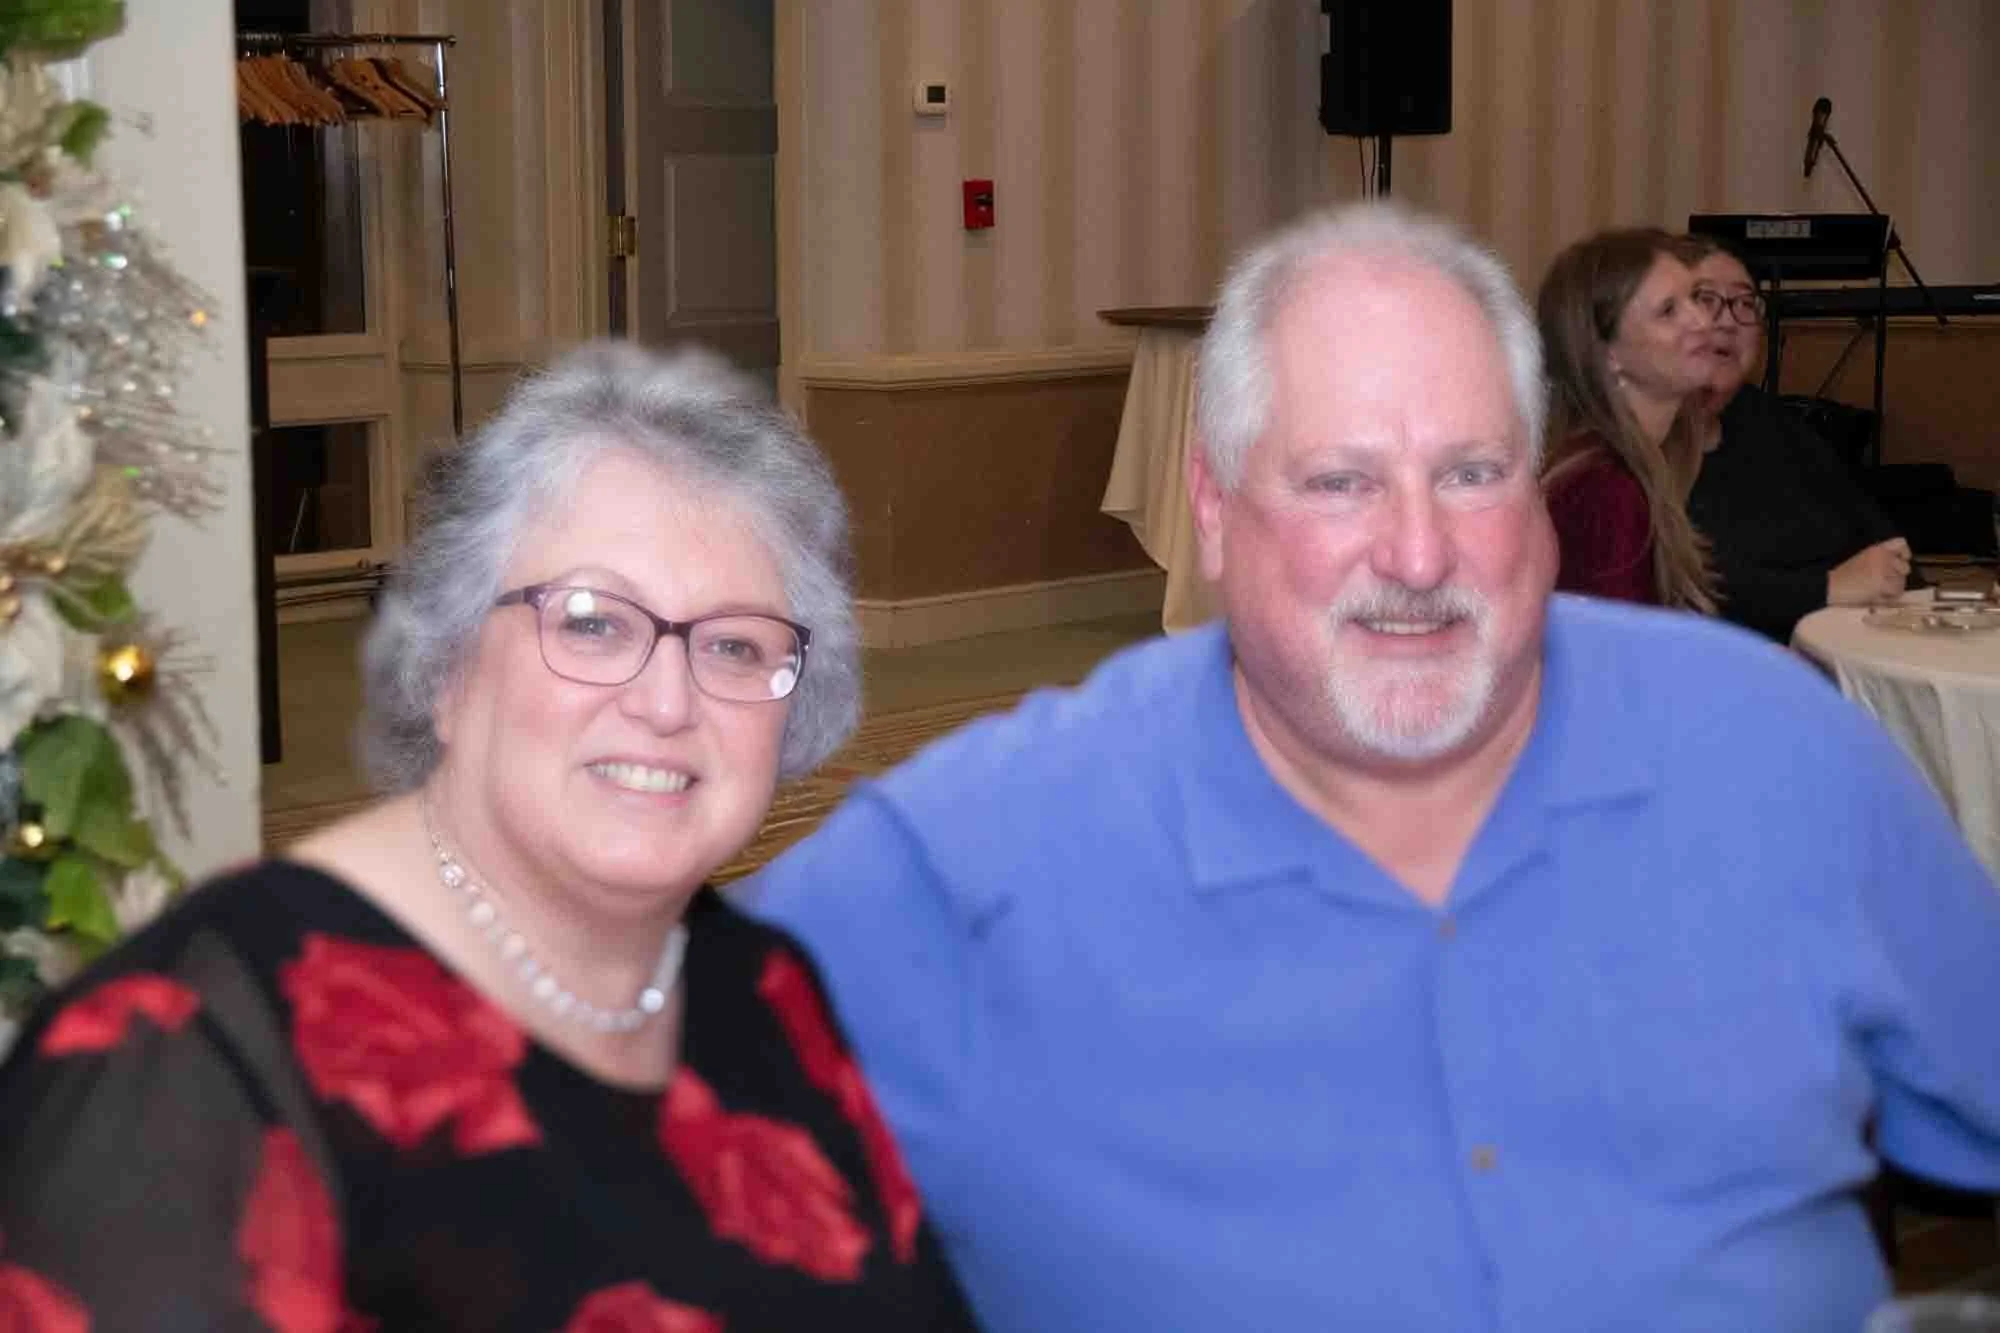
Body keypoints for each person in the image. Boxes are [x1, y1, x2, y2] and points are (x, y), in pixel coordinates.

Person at [742, 202, 2000, 1331]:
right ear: (1217, 512)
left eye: (1469, 473)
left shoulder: (1774, 754)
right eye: (1340, 482)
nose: (1415, 553)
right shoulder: (984, 853)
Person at [0, 343, 978, 1331]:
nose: (667, 700)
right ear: (445, 667)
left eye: (733, 644)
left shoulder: (766, 988)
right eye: (592, 623)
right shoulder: (189, 1058)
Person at [1682, 237, 1913, 641]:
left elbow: (1879, 537)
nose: (1729, 321)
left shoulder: (1768, 420)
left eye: (1744, 302)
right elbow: (1680, 588)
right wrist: (1826, 588)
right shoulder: (1633, 441)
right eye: (1705, 299)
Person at [1537, 228, 1720, 609]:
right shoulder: (1604, 493)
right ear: (1608, 356)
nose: (1702, 321)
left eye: (1696, 298)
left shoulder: (1635, 460)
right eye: (1668, 311)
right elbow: (1618, 662)